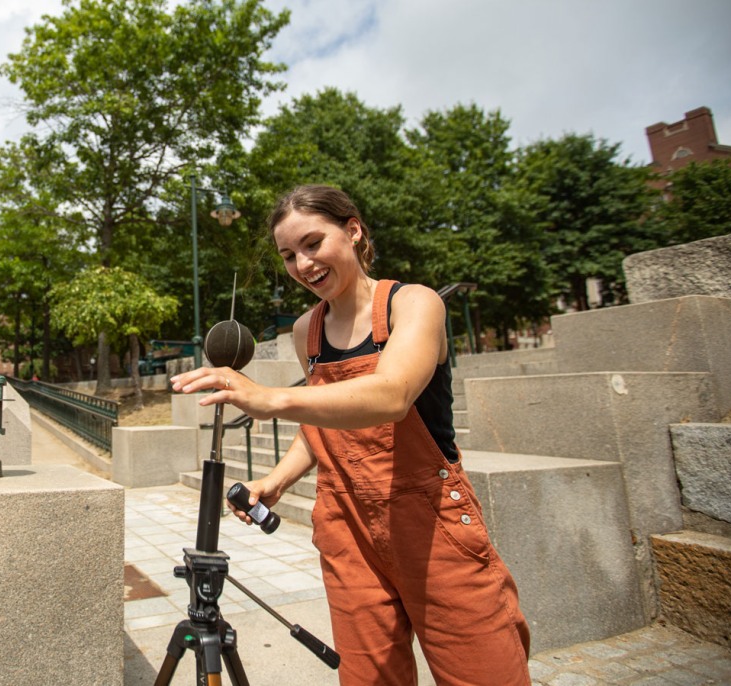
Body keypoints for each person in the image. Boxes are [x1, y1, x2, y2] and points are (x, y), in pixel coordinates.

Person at [170, 185, 530, 686]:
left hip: (431, 524)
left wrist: (270, 398)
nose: (303, 264)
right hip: (347, 529)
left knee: (484, 674)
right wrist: (276, 479)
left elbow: (391, 394)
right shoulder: (306, 332)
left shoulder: (414, 304)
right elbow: (325, 424)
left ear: (354, 230)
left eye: (313, 243)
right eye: (289, 255)